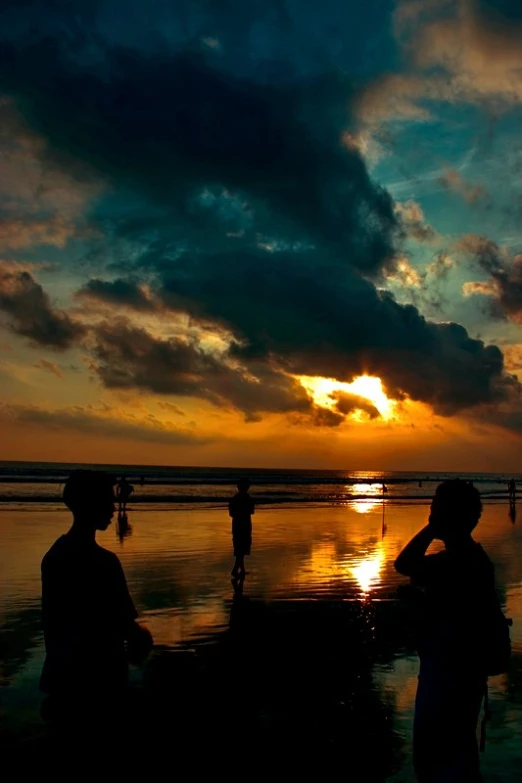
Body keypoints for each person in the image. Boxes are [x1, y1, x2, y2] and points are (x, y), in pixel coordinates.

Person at [395, 480, 504, 783]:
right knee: (457, 755)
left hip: (447, 673)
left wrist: (431, 529)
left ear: (446, 514)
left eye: (434, 507)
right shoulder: (473, 560)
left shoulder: (454, 562)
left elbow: (403, 564)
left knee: (436, 760)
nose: (429, 513)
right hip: (462, 673)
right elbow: (455, 607)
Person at [40, 469, 152, 723]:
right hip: (100, 680)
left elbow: (52, 623)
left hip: (61, 677)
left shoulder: (54, 555)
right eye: (108, 501)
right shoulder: (105, 563)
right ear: (93, 504)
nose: (113, 509)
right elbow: (127, 628)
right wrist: (142, 640)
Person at [229, 477, 255, 579]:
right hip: (244, 524)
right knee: (242, 547)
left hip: (237, 525)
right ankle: (236, 569)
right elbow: (251, 511)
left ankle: (241, 569)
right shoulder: (248, 499)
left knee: (240, 547)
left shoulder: (235, 499)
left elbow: (231, 513)